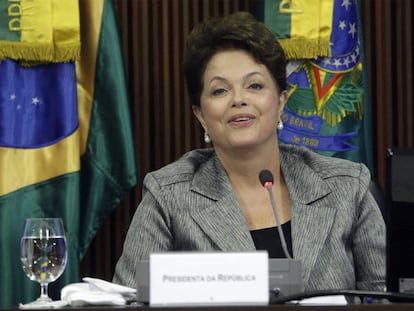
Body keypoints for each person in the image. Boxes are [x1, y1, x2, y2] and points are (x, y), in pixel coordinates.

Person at [113, 12, 385, 293]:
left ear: (281, 102)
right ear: (201, 115)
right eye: (220, 91)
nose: (239, 99)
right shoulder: (169, 197)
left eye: (254, 86)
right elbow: (127, 300)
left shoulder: (347, 187)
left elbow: (387, 300)